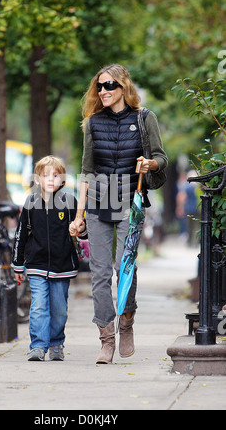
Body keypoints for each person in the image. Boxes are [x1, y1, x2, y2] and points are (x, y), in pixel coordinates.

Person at [69, 64, 168, 364]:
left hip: (129, 200)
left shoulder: (144, 118)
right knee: (98, 274)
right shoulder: (92, 123)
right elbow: (86, 172)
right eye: (99, 86)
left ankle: (127, 321)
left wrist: (149, 165)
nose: (103, 91)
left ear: (123, 86)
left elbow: (162, 158)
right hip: (99, 201)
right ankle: (106, 337)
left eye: (109, 85)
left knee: (125, 268)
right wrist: (78, 214)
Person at [12, 155, 86, 361]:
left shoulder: (69, 201)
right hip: (36, 264)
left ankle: (55, 343)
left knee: (59, 308)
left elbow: (83, 231)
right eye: (46, 176)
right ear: (37, 180)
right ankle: (37, 345)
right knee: (38, 306)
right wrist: (18, 264)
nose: (51, 179)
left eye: (56, 175)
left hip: (62, 265)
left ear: (62, 179)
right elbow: (21, 234)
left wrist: (79, 229)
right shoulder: (30, 202)